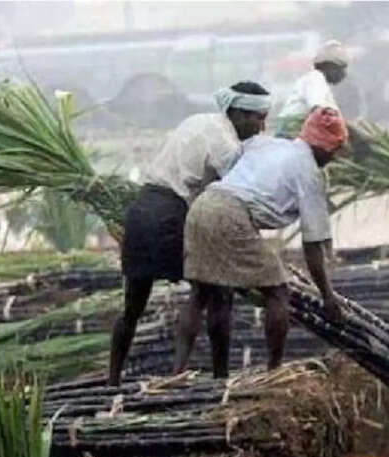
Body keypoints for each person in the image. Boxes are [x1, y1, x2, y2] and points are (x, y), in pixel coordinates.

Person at [107, 82, 271, 386]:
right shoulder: (227, 145)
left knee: (133, 305)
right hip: (172, 213)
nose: (260, 127)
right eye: (256, 117)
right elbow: (235, 193)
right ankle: (201, 374)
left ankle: (112, 380)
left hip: (142, 209)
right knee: (214, 291)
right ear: (235, 111)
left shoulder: (197, 121)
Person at [176, 107, 347, 377]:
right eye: (334, 149)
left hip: (202, 207)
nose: (334, 156)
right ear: (323, 146)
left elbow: (231, 163)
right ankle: (273, 371)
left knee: (203, 292)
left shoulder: (268, 144)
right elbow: (312, 246)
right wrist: (327, 296)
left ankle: (184, 371)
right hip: (231, 215)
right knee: (278, 291)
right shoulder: (310, 174)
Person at [273, 40, 349, 137]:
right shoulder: (316, 79)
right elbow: (318, 109)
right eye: (341, 68)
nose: (344, 73)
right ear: (329, 66)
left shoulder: (318, 81)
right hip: (293, 132)